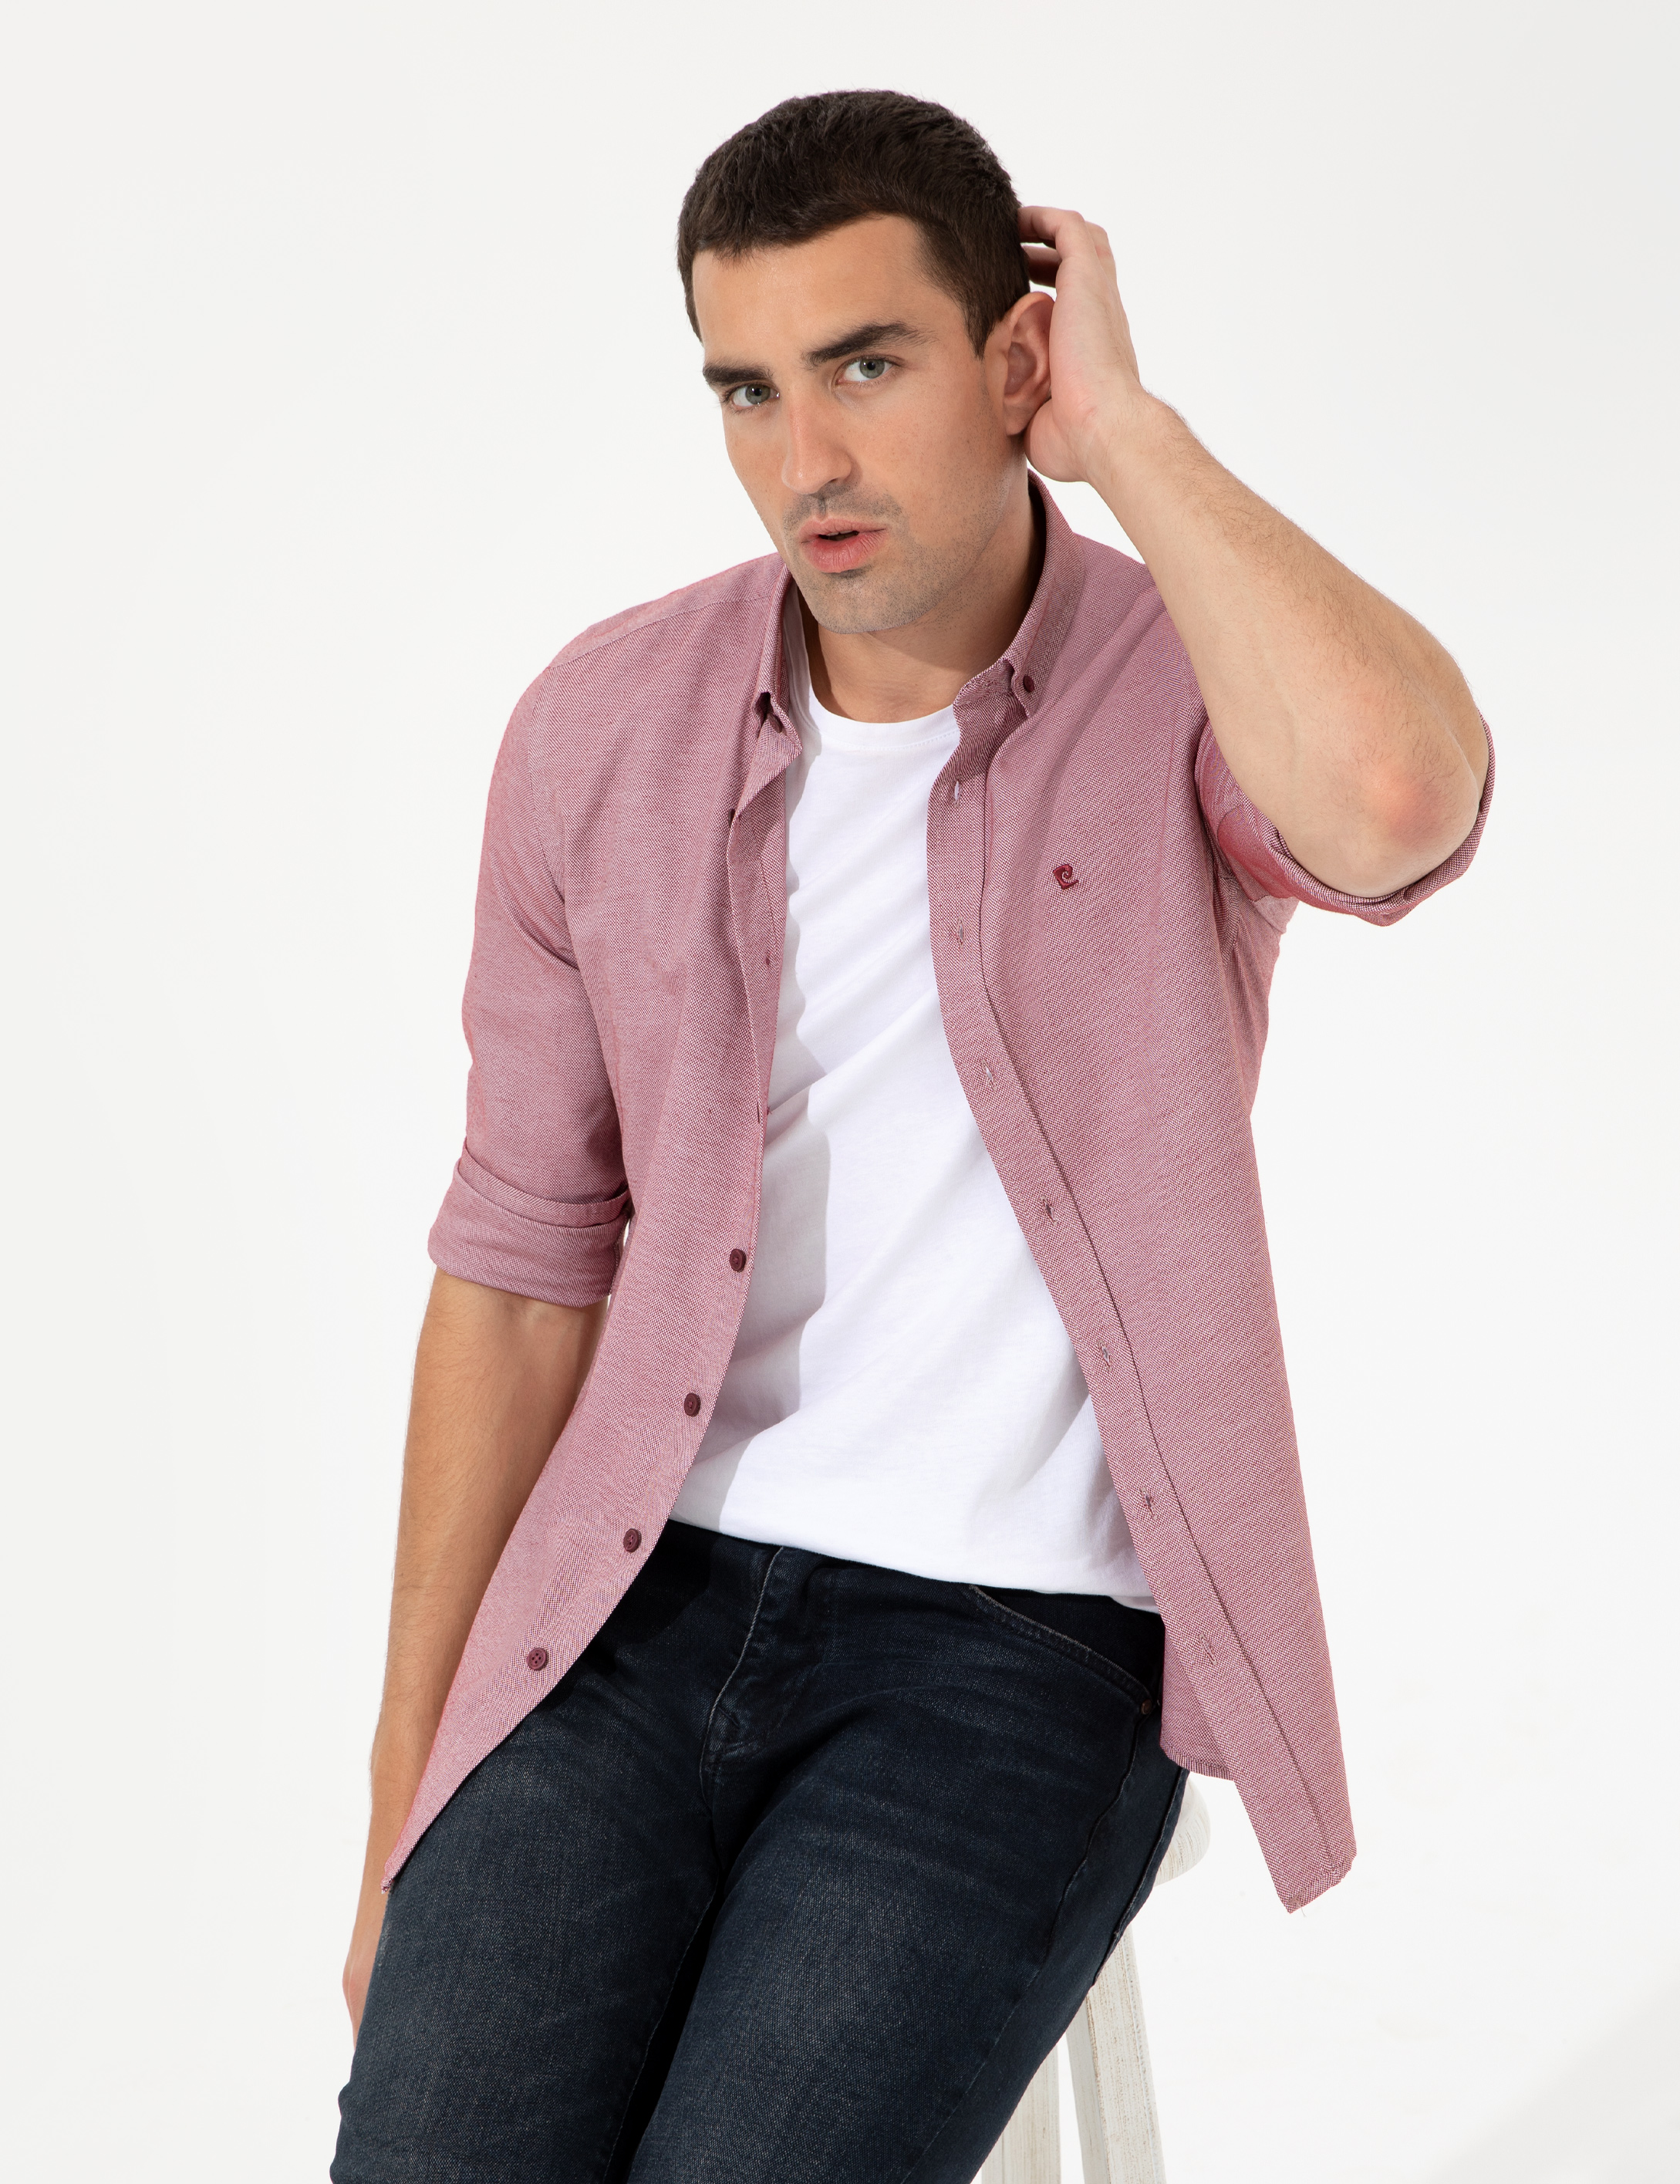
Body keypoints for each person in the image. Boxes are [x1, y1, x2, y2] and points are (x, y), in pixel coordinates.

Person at [332, 89, 1492, 2184]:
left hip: (1013, 1651)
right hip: (630, 1603)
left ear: (1012, 358)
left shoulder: (1185, 683)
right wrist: (406, 1801)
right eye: (748, 389)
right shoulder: (602, 726)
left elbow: (1400, 803)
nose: (808, 458)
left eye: (865, 366)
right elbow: (515, 1270)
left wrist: (1128, 434)